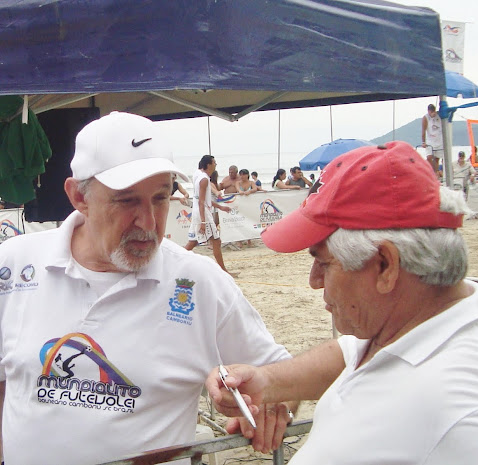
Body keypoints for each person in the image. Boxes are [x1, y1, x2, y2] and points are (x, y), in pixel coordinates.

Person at [207, 141, 478, 465]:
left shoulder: (473, 415)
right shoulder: (412, 323)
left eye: (324, 263)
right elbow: (348, 353)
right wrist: (267, 381)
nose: (313, 281)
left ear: (385, 265)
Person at [0, 112, 294, 465]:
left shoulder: (200, 282)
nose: (148, 222)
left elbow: (279, 373)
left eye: (160, 198)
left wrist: (272, 407)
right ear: (79, 196)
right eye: (127, 200)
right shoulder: (13, 265)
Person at [421, 103, 443, 177]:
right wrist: (423, 142)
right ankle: (430, 172)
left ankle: (436, 173)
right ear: (428, 111)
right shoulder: (425, 118)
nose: (432, 114)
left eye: (433, 112)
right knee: (429, 157)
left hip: (439, 139)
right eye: (431, 112)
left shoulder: (439, 115)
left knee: (437, 159)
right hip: (430, 140)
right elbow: (423, 131)